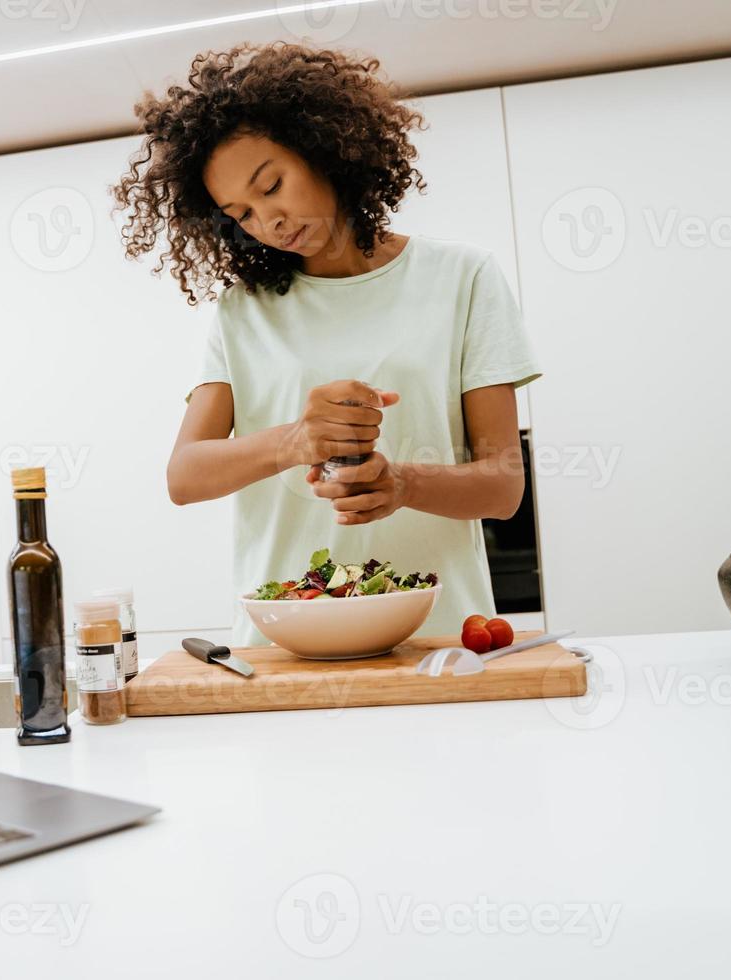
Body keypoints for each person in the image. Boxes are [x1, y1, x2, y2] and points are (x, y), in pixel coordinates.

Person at [112, 42, 541, 643]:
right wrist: (293, 440)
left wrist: (403, 485)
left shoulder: (463, 278)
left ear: (324, 149)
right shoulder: (244, 312)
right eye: (241, 213)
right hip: (284, 643)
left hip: (439, 639)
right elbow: (185, 476)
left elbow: (502, 485)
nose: (269, 221)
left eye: (273, 185)